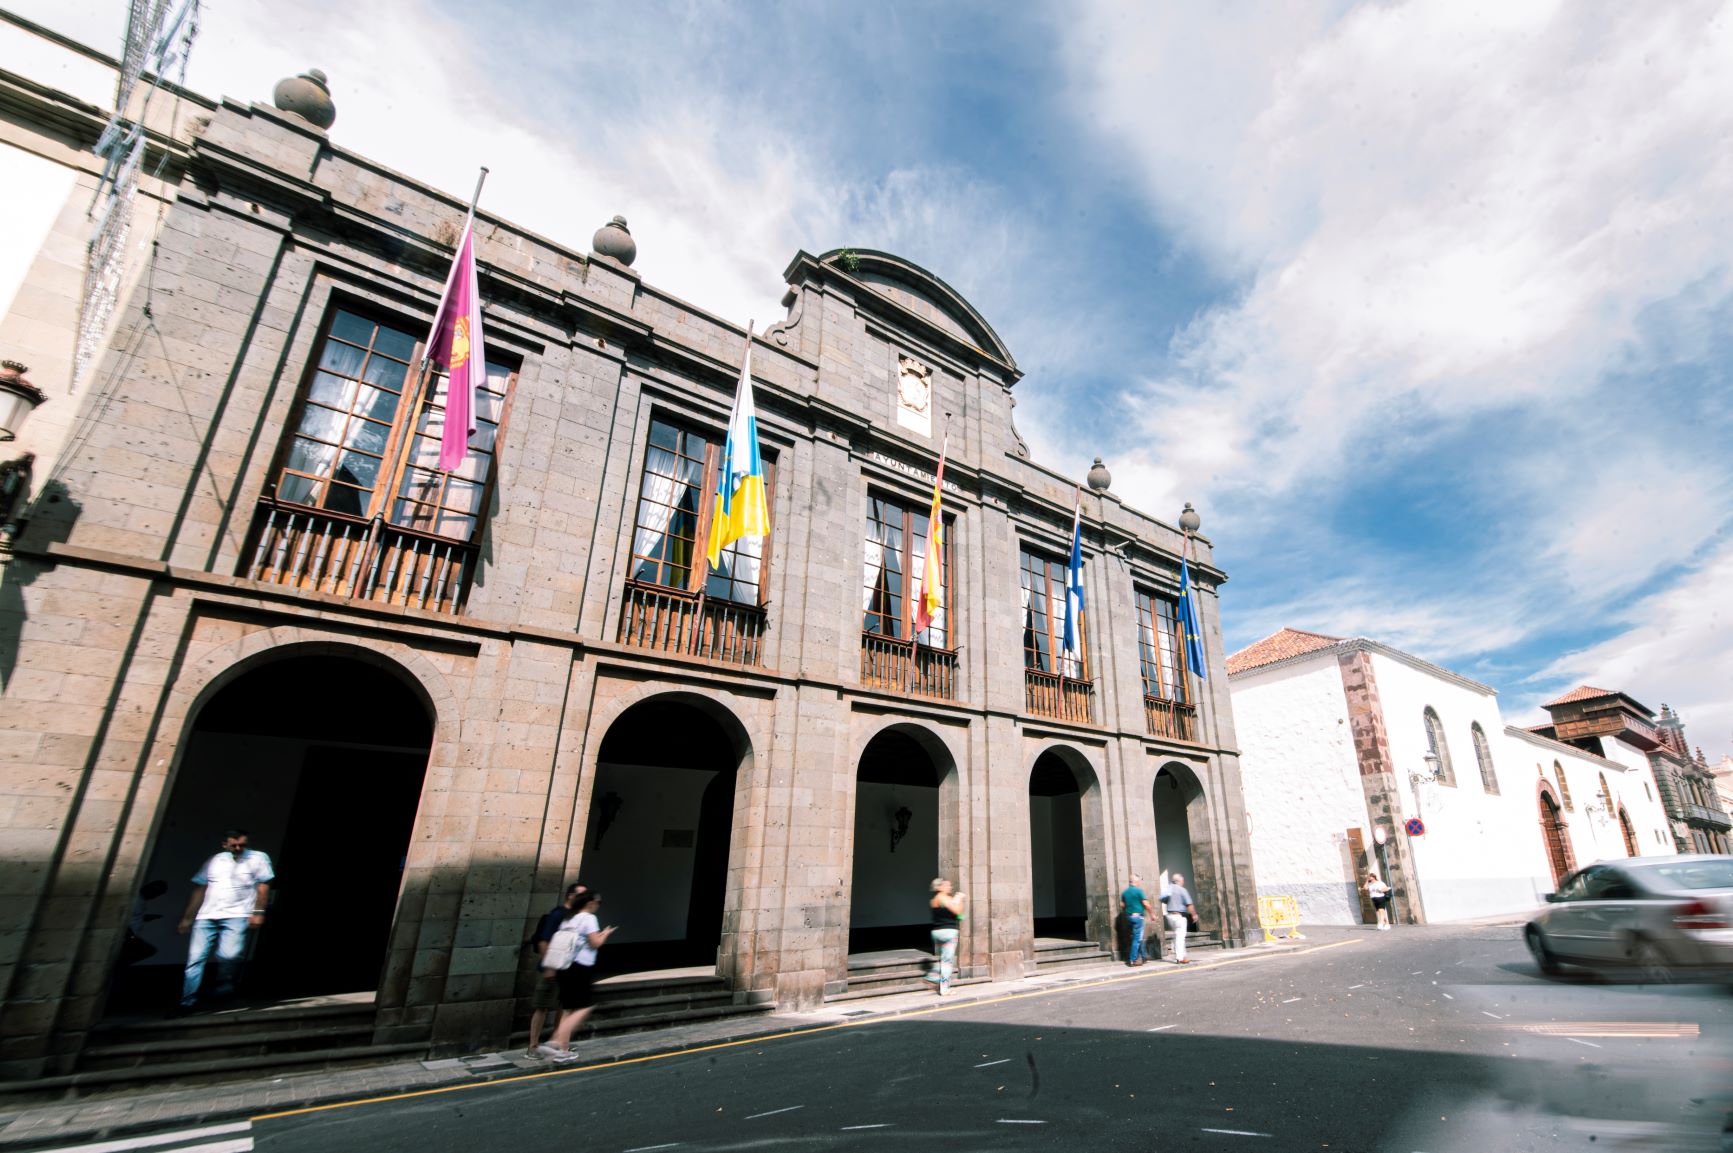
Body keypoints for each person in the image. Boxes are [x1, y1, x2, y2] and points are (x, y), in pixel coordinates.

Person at [177, 829, 274, 1011]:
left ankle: (224, 988)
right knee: (195, 959)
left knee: (229, 954)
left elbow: (263, 886)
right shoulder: (214, 860)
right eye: (234, 845)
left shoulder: (258, 858)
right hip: (207, 915)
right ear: (225, 844)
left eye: (242, 845)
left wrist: (258, 912)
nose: (238, 848)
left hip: (237, 914)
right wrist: (187, 918)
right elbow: (199, 889)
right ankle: (187, 1001)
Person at [539, 890, 615, 1062]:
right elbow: (595, 943)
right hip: (580, 967)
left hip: (564, 966)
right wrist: (605, 934)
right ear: (589, 903)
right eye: (598, 902)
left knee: (568, 1008)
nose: (598, 905)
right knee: (584, 1006)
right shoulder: (589, 918)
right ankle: (555, 1041)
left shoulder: (569, 918)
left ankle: (563, 1051)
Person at [526, 882, 587, 1057]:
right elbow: (544, 941)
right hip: (552, 969)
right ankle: (533, 1046)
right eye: (582, 895)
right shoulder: (557, 915)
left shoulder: (575, 917)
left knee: (564, 1007)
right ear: (571, 896)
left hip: (568, 969)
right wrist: (549, 967)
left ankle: (558, 1043)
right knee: (542, 1007)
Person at [924, 877, 966, 995]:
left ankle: (932, 976)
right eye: (947, 885)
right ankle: (944, 989)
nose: (950, 887)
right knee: (947, 962)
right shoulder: (944, 898)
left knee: (943, 958)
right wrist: (960, 899)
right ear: (940, 887)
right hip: (948, 932)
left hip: (937, 932)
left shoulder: (933, 900)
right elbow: (958, 913)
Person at [1161, 871, 1196, 964]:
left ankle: (1181, 954)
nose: (1183, 882)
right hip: (1178, 916)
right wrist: (1194, 914)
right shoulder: (1182, 890)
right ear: (1179, 881)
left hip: (1169, 916)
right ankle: (1180, 957)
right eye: (1182, 880)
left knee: (1177, 935)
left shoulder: (1169, 889)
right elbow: (1189, 904)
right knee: (1180, 937)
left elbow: (1163, 899)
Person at [1120, 873, 1151, 966]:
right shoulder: (1139, 891)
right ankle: (1133, 959)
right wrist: (1152, 914)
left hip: (1129, 917)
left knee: (1139, 937)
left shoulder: (1125, 892)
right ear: (1136, 882)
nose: (1139, 883)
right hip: (1138, 918)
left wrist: (1128, 911)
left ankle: (1144, 956)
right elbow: (1146, 904)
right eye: (1139, 881)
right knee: (1136, 939)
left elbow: (1122, 905)